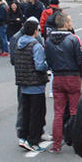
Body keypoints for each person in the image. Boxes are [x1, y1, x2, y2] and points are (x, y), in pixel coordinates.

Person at [45, 13, 82, 154]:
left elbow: (48, 59)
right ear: (66, 24)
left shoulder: (49, 40)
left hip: (57, 76)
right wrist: (81, 72)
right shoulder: (73, 39)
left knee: (58, 112)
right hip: (73, 75)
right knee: (75, 110)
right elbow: (80, 59)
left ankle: (56, 144)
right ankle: (75, 140)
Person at [13, 17, 49, 151]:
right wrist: (47, 65)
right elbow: (39, 66)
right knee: (37, 114)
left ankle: (23, 136)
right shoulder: (36, 46)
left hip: (23, 83)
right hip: (36, 84)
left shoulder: (19, 43)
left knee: (26, 112)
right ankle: (33, 140)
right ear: (35, 31)